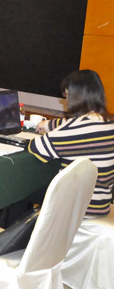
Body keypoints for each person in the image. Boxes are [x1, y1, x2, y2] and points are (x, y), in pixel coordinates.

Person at [29, 70, 114, 216]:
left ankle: (20, 229)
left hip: (74, 209)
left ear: (75, 97)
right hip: (101, 202)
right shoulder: (108, 122)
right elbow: (75, 123)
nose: (66, 100)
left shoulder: (72, 130)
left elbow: (36, 147)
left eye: (67, 95)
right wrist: (48, 124)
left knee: (21, 192)